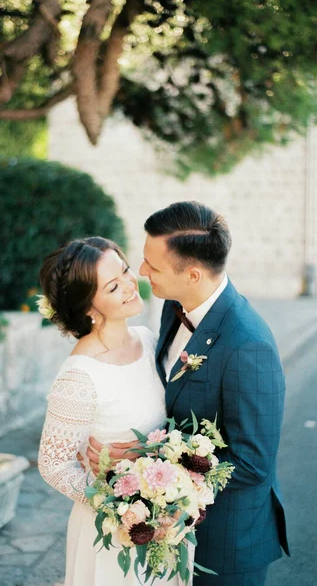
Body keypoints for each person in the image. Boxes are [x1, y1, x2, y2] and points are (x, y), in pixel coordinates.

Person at [87, 201, 290, 586]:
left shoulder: (249, 346)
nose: (142, 273)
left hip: (227, 544)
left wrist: (145, 463)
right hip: (171, 532)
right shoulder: (173, 305)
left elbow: (251, 464)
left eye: (153, 266)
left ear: (193, 274)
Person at [37, 236, 181, 586]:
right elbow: (53, 465)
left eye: (126, 271)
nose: (132, 285)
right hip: (114, 532)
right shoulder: (80, 376)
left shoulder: (148, 339)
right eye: (114, 286)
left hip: (163, 521)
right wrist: (120, 503)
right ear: (89, 306)